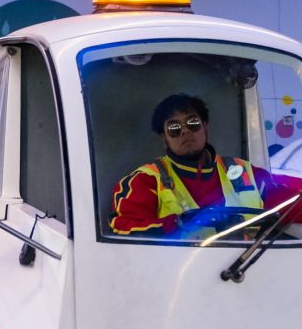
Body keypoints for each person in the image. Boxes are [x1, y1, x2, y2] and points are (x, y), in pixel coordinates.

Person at [108, 92, 267, 239]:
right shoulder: (144, 180)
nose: (185, 131)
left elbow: (289, 204)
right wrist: (178, 223)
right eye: (174, 127)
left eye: (192, 123)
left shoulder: (245, 171)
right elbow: (123, 228)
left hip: (247, 265)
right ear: (164, 139)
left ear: (205, 127)